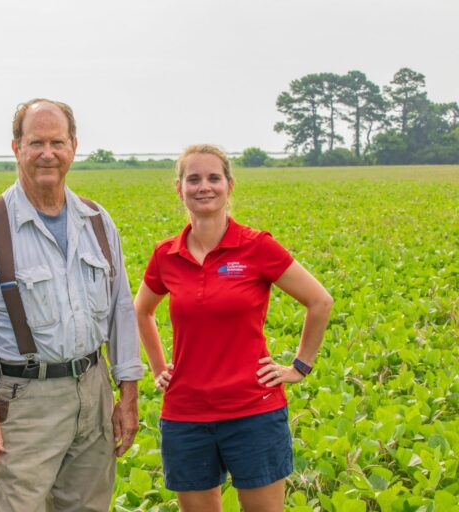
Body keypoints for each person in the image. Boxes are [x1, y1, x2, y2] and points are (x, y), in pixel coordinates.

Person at [0, 98, 143, 512]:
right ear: (16, 148)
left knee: (88, 506)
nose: (47, 153)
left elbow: (122, 309)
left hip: (94, 389)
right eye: (36, 142)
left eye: (57, 142)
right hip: (24, 398)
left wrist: (127, 394)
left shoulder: (96, 220)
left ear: (74, 146)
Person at [134, 144, 333, 512]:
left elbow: (320, 301)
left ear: (229, 185)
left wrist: (299, 367)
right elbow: (141, 311)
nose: (203, 187)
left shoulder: (257, 247)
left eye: (213, 178)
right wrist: (159, 368)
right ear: (179, 188)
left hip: (253, 411)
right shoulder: (166, 254)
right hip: (185, 414)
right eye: (193, 179)